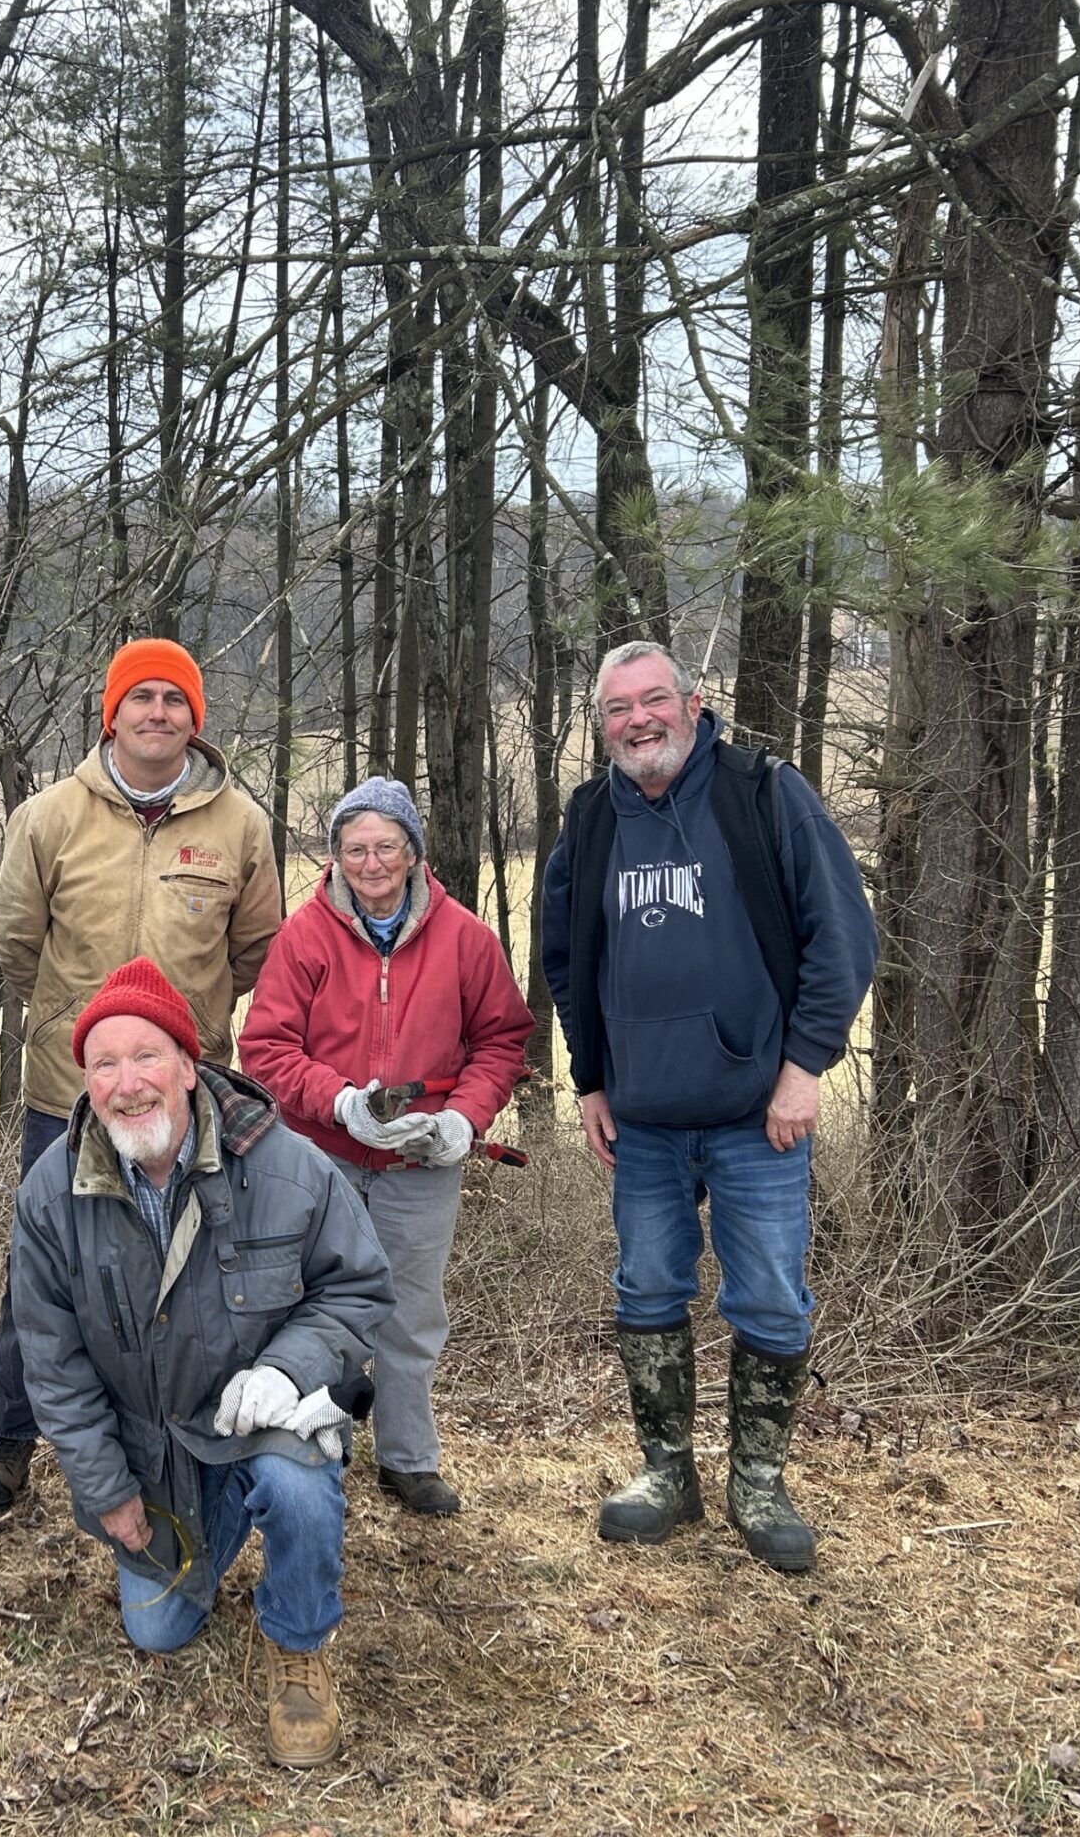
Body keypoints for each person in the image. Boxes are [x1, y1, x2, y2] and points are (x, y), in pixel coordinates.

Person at [540, 640, 877, 1573]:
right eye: (618, 709)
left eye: (654, 701)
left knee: (768, 1294)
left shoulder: (761, 793)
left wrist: (806, 1065)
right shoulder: (592, 819)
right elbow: (566, 959)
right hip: (643, 1121)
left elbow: (841, 937)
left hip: (755, 1116)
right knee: (648, 1290)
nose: (638, 721)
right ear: (602, 725)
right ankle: (669, 1475)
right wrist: (592, 1078)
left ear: (693, 703)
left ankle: (759, 1482)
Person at [9, 959, 393, 1768]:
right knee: (158, 1631)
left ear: (190, 1066)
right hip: (153, 1448)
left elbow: (358, 1288)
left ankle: (296, 1639)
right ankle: (206, 1538)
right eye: (104, 1064)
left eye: (146, 1056)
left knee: (296, 1482)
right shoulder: (51, 1193)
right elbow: (53, 1364)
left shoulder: (289, 1169)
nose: (127, 1083)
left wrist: (289, 1371)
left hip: (262, 1426)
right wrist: (107, 1490)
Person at [0, 638, 286, 1514]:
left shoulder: (239, 825)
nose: (157, 713)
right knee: (42, 1269)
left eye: (174, 701)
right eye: (140, 698)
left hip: (186, 1098)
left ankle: (181, 1431)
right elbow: (17, 946)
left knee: (194, 1271)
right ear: (112, 713)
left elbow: (254, 950)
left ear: (196, 718)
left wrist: (178, 1046)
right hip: (69, 1094)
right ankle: (10, 1436)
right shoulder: (51, 816)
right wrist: (89, 1041)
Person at [238, 778, 534, 1518]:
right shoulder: (303, 936)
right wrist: (338, 1100)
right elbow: (266, 1047)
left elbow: (502, 1039)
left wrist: (464, 1120)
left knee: (409, 1311)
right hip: (319, 1156)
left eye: (386, 847)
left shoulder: (467, 938)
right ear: (335, 856)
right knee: (309, 1303)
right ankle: (308, 1449)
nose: (371, 863)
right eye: (354, 848)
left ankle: (408, 1458)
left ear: (413, 852)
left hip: (422, 1158)